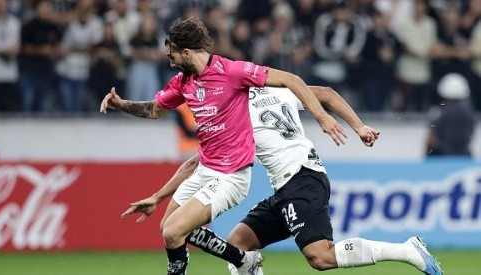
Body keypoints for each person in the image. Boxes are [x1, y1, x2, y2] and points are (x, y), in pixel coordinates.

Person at [100, 17, 345, 275]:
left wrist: (322, 117)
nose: (169, 60)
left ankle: (237, 261)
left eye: (171, 55)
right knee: (169, 231)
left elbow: (292, 80)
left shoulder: (232, 72)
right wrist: (122, 105)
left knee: (175, 230)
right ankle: (242, 259)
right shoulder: (182, 83)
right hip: (205, 169)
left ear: (185, 52)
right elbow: (154, 109)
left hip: (230, 175)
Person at [121, 86, 443, 275]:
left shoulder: (234, 114)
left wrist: (159, 196)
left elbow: (198, 161)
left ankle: (406, 250)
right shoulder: (278, 91)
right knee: (237, 244)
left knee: (320, 256)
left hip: (300, 180)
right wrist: (359, 126)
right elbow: (328, 94)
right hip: (293, 183)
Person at [426, 72, 475, 157]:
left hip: (442, 157)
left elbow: (431, 139)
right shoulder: (469, 112)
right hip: (464, 156)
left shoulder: (439, 111)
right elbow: (471, 134)